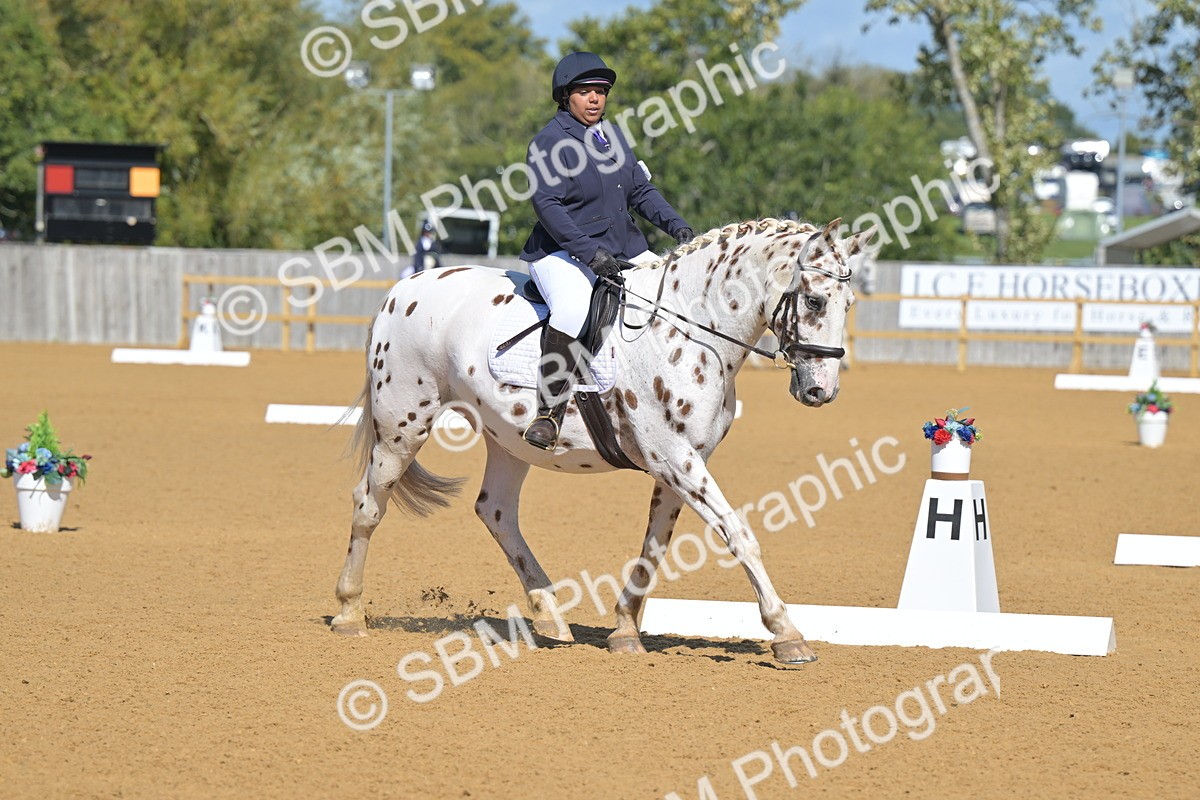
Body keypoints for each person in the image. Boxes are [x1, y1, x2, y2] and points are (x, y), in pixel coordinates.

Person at [519, 51, 695, 450]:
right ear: (566, 97)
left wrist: (679, 227)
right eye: (585, 92)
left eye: (601, 91)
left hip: (622, 250)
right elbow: (548, 206)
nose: (595, 99)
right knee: (574, 306)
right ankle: (549, 411)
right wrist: (588, 253)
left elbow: (640, 191)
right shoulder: (548, 143)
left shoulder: (612, 136)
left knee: (672, 292)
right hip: (560, 253)